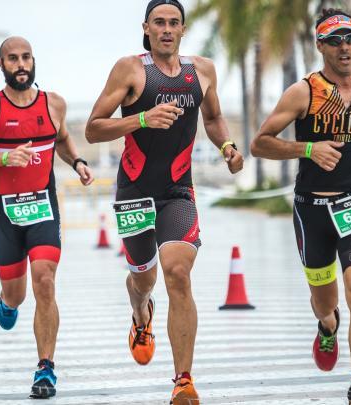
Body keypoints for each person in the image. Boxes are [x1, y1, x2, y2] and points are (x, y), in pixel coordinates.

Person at [85, 1, 243, 403]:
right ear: (147, 28)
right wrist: (141, 119)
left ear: (183, 30)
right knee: (144, 279)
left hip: (177, 191)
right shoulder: (130, 69)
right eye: (160, 23)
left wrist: (226, 146)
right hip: (134, 191)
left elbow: (213, 117)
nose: (167, 29)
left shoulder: (202, 71)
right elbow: (93, 129)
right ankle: (141, 314)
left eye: (174, 23)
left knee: (177, 274)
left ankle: (183, 380)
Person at [250, 9, 351, 405]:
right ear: (320, 46)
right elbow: (260, 142)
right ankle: (327, 325)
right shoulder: (303, 92)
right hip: (312, 209)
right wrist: (308, 149)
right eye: (334, 41)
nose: (344, 48)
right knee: (325, 301)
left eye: (350, 39)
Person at [0, 36, 93, 399]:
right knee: (17, 296)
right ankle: (6, 301)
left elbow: (62, 138)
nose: (21, 65)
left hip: (43, 207)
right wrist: (2, 159)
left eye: (26, 58)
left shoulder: (54, 104)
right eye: (13, 59)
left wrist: (77, 161)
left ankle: (45, 368)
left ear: (34, 61)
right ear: (1, 65)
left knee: (45, 279)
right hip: (5, 211)